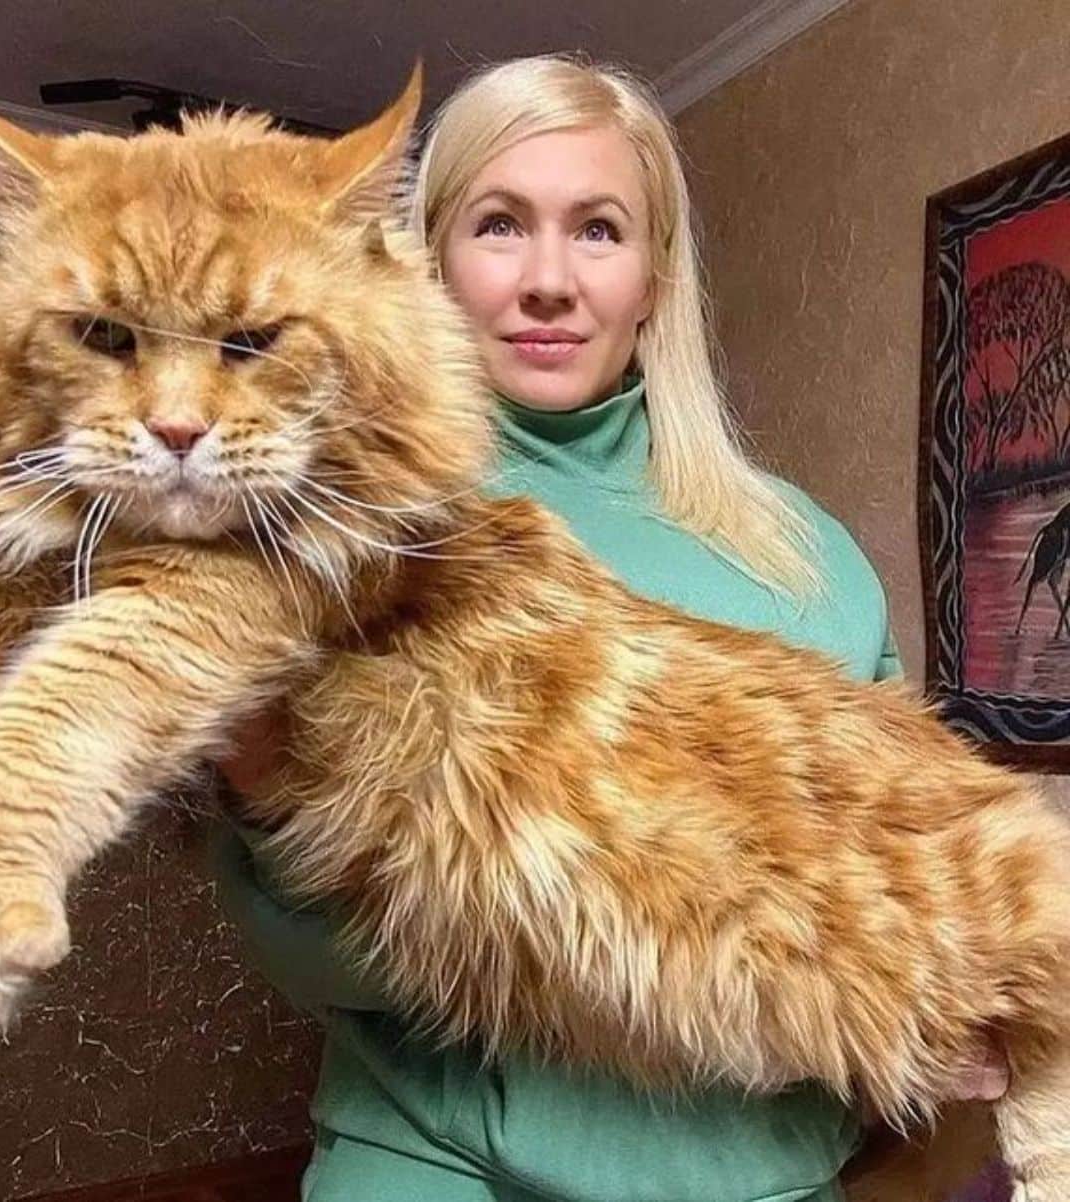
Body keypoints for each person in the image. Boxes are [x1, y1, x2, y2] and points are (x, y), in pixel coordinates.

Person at [210, 54, 1006, 1202]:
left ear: (654, 273)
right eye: (498, 224)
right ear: (429, 260)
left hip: (766, 1178)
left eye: (597, 229)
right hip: (437, 1164)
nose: (547, 279)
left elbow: (906, 882)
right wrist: (263, 772)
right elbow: (310, 952)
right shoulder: (341, 532)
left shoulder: (807, 558)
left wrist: (957, 999)